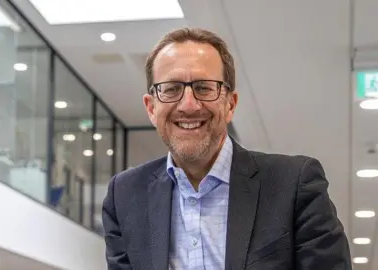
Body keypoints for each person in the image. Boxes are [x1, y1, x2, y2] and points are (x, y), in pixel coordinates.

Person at [102, 28, 351, 270]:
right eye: (171, 89)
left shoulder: (294, 184)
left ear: (230, 104)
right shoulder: (124, 196)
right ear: (151, 108)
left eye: (204, 88)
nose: (188, 105)